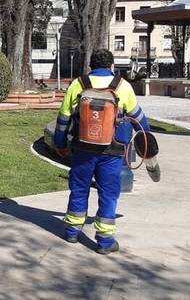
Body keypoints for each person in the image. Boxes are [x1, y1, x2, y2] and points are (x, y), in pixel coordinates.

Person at [53, 48, 150, 254]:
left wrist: (60, 144)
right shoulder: (122, 86)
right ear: (111, 66)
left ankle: (72, 230)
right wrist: (147, 139)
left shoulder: (77, 85)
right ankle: (105, 241)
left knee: (79, 188)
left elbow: (63, 120)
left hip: (82, 149)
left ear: (90, 66)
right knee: (108, 193)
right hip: (112, 151)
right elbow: (139, 119)